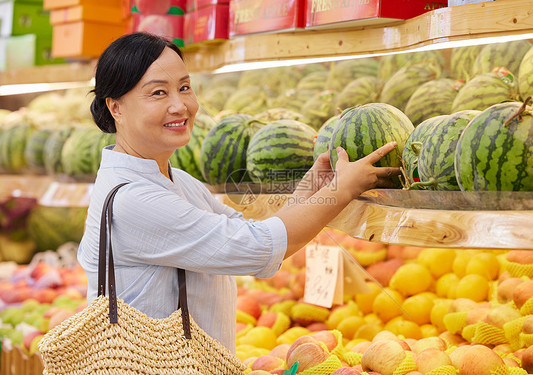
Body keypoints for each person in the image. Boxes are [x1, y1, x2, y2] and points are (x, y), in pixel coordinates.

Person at [78, 32, 401, 354]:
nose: (180, 105)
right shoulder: (133, 200)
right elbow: (256, 249)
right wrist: (342, 189)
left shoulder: (175, 180)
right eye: (158, 93)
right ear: (116, 107)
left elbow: (250, 233)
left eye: (185, 87)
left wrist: (312, 190)